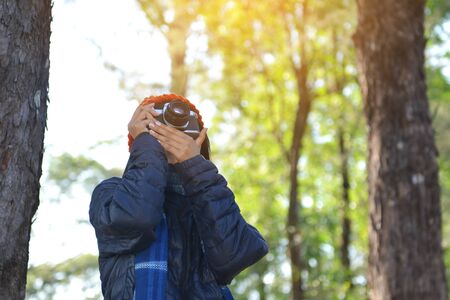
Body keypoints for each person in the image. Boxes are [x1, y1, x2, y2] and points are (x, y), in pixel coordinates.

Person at [89, 94, 269, 300]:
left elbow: (234, 256)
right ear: (139, 139)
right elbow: (136, 217)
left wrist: (194, 166)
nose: (171, 132)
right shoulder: (112, 192)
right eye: (159, 123)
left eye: (183, 126)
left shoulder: (207, 197)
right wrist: (147, 144)